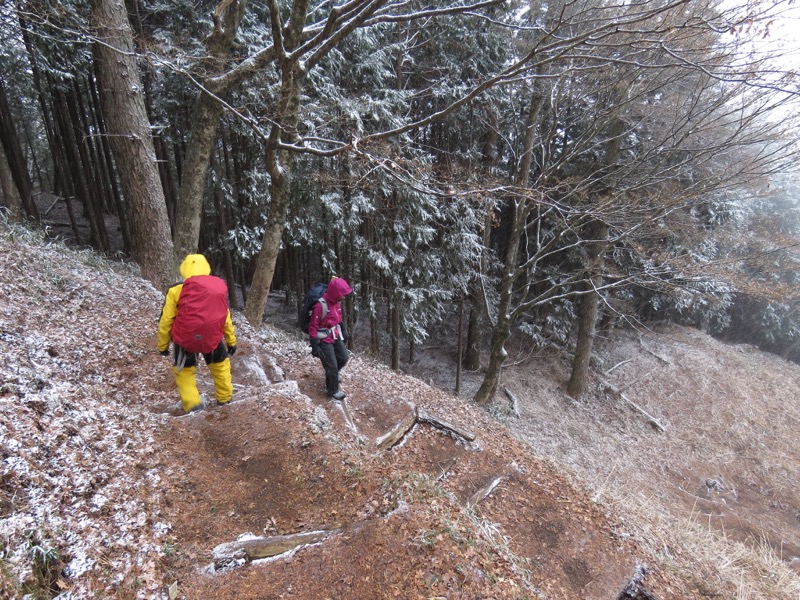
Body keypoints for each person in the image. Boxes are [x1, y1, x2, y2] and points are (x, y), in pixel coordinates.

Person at [157, 254, 237, 413]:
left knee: (184, 372)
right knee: (220, 368)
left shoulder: (176, 290)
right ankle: (225, 399)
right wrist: (231, 341)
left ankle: (193, 406)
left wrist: (163, 346)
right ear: (206, 268)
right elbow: (225, 318)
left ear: (184, 270)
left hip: (184, 340)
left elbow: (166, 320)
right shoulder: (216, 291)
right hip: (212, 337)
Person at [308, 277, 352, 400]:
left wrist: (343, 330)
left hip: (335, 334)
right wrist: (314, 344)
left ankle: (332, 375)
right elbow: (313, 326)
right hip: (323, 338)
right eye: (341, 295)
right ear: (335, 293)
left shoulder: (337, 303)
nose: (343, 297)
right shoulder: (320, 305)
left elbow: (339, 318)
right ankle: (332, 390)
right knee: (331, 366)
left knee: (343, 358)